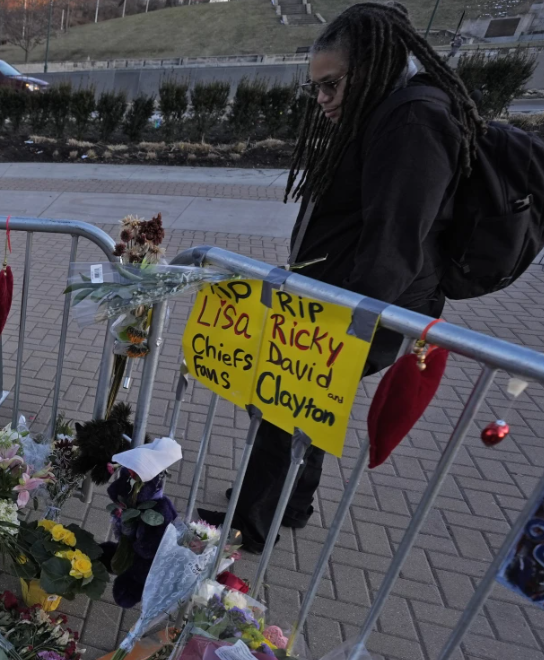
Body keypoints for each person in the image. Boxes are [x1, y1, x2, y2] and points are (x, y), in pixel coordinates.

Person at [199, 1, 484, 552]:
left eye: (331, 86)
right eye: (316, 89)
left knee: (285, 398)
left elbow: (394, 239)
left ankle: (252, 523)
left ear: (374, 67)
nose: (322, 101)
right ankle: (290, 502)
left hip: (362, 306)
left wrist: (342, 322)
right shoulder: (388, 112)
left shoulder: (412, 119)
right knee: (302, 401)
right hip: (340, 299)